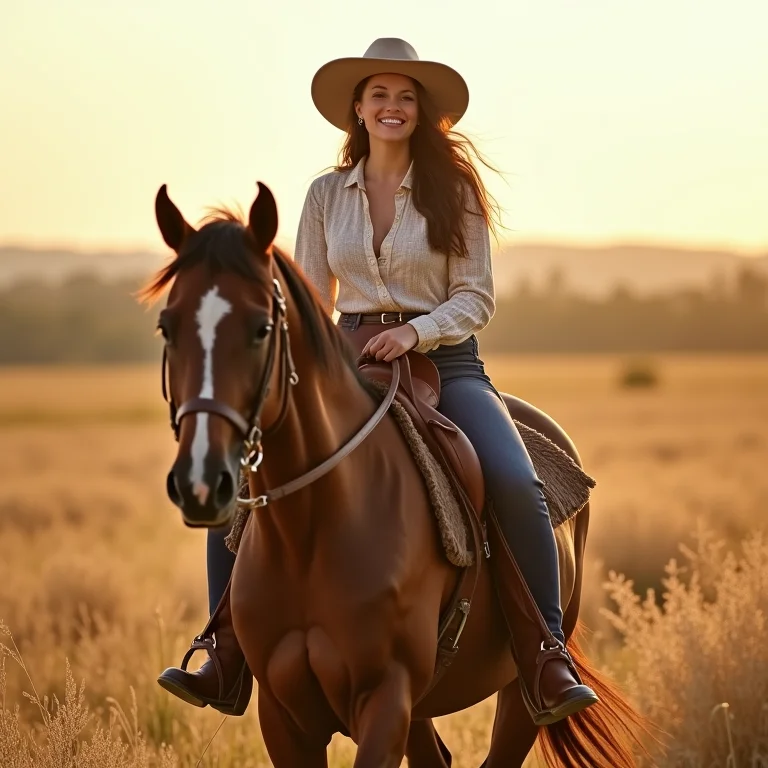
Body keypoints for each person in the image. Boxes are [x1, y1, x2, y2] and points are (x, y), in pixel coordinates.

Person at [158, 37, 598, 726]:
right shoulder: (325, 194)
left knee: (515, 480)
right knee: (248, 482)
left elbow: (475, 296)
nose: (391, 107)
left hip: (444, 361)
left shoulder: (454, 191)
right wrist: (341, 346)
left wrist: (412, 333)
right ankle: (222, 648)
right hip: (347, 359)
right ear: (357, 111)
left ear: (422, 113)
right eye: (379, 96)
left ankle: (545, 653)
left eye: (405, 97)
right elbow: (306, 289)